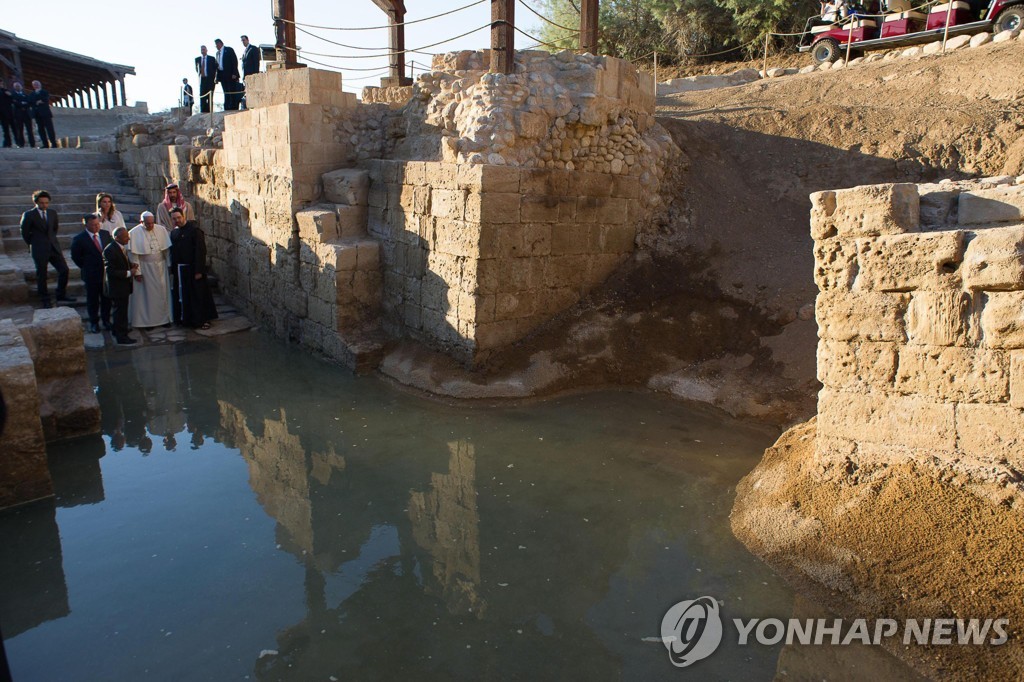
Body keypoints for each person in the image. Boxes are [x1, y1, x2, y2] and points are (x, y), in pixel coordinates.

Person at [20, 190, 74, 307]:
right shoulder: (29, 215)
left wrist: (51, 241)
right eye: (42, 203)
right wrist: (34, 243)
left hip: (53, 247)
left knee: (64, 270)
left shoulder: (52, 213)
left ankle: (61, 293)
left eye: (46, 203)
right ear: (36, 203)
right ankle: (44, 298)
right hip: (39, 248)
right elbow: (24, 232)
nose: (44, 205)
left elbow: (54, 229)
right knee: (42, 274)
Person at [169, 207, 217, 329]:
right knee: (183, 296)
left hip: (193, 269)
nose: (177, 220)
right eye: (174, 219)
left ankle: (202, 320)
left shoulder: (194, 231)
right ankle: (186, 319)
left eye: (178, 218)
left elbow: (200, 251)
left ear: (183, 216)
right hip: (180, 271)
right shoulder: (174, 233)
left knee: (198, 295)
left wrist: (199, 270)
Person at [127, 211, 173, 328]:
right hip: (145, 268)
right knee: (147, 296)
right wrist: (137, 273)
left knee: (163, 294)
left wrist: (169, 265)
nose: (151, 226)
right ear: (141, 222)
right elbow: (134, 255)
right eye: (147, 223)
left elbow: (166, 250)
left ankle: (165, 319)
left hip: (161, 267)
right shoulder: (133, 233)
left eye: (152, 223)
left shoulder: (161, 230)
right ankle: (147, 322)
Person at [70, 213, 113, 333]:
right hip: (91, 275)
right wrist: (87, 267)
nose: (96, 227)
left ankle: (106, 320)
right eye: (93, 225)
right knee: (92, 300)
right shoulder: (79, 239)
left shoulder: (105, 234)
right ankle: (94, 322)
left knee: (106, 299)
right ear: (86, 224)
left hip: (105, 274)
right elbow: (76, 257)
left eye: (97, 224)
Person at [104, 226, 139, 345]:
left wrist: (131, 265)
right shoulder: (110, 250)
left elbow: (122, 263)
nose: (128, 239)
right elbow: (111, 271)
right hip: (117, 287)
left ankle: (119, 329)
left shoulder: (120, 248)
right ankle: (121, 336)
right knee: (120, 312)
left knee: (122, 311)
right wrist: (130, 273)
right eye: (125, 237)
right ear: (117, 238)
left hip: (123, 287)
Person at [214, 38, 241, 111]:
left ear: (220, 43)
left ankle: (233, 106)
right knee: (225, 91)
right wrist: (217, 77)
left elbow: (234, 61)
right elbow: (217, 65)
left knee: (231, 90)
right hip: (222, 75)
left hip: (230, 74)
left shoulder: (229, 50)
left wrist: (234, 73)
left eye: (216, 45)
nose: (216, 46)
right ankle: (227, 106)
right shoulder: (217, 53)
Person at [29, 80, 57, 149]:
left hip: (45, 113)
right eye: (34, 84)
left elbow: (45, 99)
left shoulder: (45, 92)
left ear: (40, 84)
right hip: (37, 114)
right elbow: (30, 101)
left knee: (50, 129)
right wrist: (38, 101)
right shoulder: (32, 94)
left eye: (37, 84)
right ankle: (45, 144)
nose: (36, 85)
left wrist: (39, 101)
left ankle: (53, 143)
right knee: (41, 130)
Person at [11, 82, 34, 148]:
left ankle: (32, 143)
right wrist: (23, 104)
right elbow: (15, 103)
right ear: (14, 87)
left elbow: (29, 102)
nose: (17, 87)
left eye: (18, 86)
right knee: (20, 130)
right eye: (16, 86)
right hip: (18, 115)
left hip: (27, 114)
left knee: (29, 130)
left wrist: (22, 104)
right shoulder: (13, 95)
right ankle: (21, 144)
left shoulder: (26, 95)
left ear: (21, 87)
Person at [195, 45, 217, 113]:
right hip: (202, 79)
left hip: (210, 79)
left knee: (210, 96)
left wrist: (215, 78)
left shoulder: (212, 58)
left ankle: (210, 111)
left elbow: (215, 68)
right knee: (202, 95)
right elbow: (197, 69)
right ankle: (203, 111)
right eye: (201, 49)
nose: (203, 50)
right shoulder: (197, 59)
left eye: (204, 49)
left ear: (207, 50)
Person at [0, 78, 13, 148]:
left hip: (4, 113)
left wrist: (9, 95)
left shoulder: (5, 91)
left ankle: (8, 142)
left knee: (6, 128)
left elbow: (11, 100)